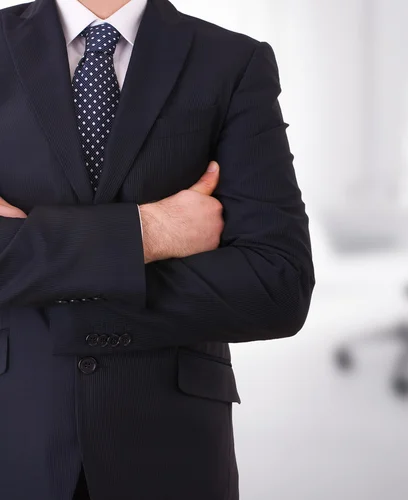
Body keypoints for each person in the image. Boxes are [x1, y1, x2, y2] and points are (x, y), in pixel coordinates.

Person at [0, 0, 315, 498]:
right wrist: (152, 232)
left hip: (169, 447)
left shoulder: (230, 62)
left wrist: (43, 276)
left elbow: (278, 284)